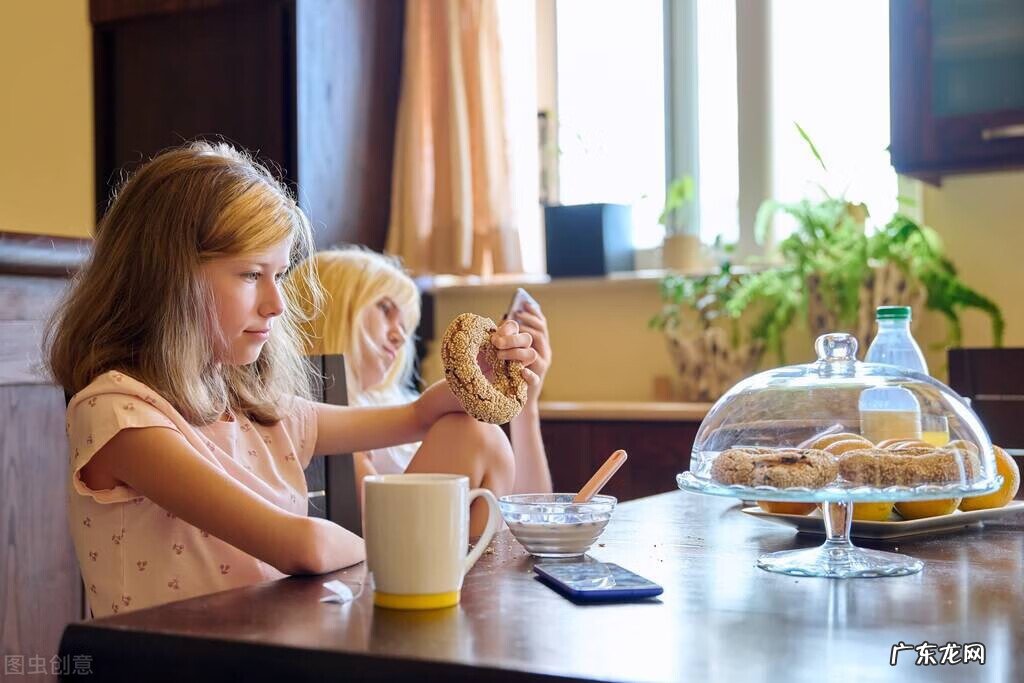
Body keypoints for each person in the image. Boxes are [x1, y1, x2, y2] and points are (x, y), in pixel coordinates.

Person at [44, 141, 537, 617]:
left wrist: (479, 382)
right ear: (169, 279)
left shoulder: (247, 404)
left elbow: (419, 415)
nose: (276, 304)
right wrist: (407, 554)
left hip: (287, 636)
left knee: (474, 431)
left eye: (278, 275)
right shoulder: (118, 414)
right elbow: (302, 546)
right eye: (250, 274)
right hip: (187, 656)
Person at [299, 248, 553, 500]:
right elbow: (366, 517)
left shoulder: (402, 400)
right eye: (385, 309)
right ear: (330, 307)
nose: (400, 336)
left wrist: (526, 405)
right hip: (397, 525)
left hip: (444, 524)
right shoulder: (323, 415)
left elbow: (531, 513)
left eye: (404, 325)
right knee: (472, 434)